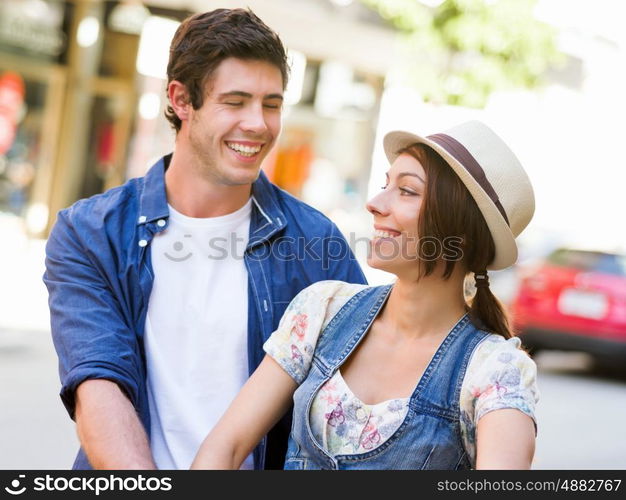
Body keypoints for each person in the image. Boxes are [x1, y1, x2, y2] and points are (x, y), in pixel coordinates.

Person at [43, 8, 366, 470]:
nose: (258, 123)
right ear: (180, 99)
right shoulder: (90, 233)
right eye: (235, 102)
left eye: (271, 104)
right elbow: (98, 386)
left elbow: (362, 393)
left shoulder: (316, 243)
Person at [191, 120, 539, 470]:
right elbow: (227, 447)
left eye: (407, 191)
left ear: (461, 232)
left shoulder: (494, 371)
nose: (374, 204)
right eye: (385, 185)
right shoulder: (322, 310)